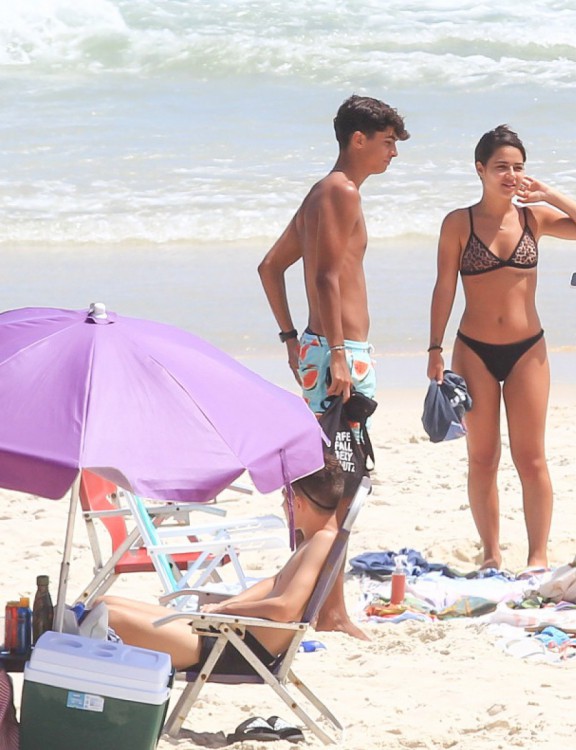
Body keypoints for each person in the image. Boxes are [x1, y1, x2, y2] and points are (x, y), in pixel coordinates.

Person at [258, 94, 407, 640]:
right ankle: (330, 610)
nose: (394, 152)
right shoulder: (341, 191)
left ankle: (315, 604)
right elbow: (323, 277)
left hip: (324, 350)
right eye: (388, 141)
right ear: (359, 139)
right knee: (337, 484)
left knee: (321, 478)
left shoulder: (321, 193)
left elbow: (270, 268)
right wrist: (339, 353)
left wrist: (291, 339)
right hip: (340, 355)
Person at [427, 125, 576, 570]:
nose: (510, 175)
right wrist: (434, 349)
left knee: (532, 457)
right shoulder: (459, 223)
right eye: (501, 167)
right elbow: (444, 287)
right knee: (483, 457)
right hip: (474, 351)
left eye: (518, 167)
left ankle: (537, 555)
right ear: (480, 169)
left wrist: (549, 194)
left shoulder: (533, 218)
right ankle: (490, 554)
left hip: (529, 349)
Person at [101, 455, 346, 671]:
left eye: (285, 499)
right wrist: (230, 604)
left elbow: (286, 608)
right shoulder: (318, 539)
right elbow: (274, 582)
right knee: (104, 603)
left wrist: (227, 610)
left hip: (235, 648)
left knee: (107, 616)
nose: (283, 506)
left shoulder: (321, 541)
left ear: (298, 503)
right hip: (231, 634)